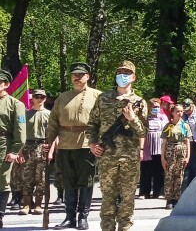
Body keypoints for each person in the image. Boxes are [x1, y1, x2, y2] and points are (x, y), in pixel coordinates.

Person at [87, 61, 148, 231]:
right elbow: (92, 124)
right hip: (107, 156)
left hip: (129, 158)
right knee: (107, 197)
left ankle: (125, 228)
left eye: (127, 73)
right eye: (120, 72)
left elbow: (143, 132)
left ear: (133, 77)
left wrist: (132, 119)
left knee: (128, 198)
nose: (123, 76)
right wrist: (92, 143)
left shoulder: (139, 102)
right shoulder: (103, 98)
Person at [46, 62, 102, 230]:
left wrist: (99, 142)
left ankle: (82, 217)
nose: (77, 78)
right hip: (65, 145)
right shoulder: (62, 97)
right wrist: (49, 143)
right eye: (74, 75)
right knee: (68, 182)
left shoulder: (98, 96)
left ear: (87, 76)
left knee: (86, 182)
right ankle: (69, 217)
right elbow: (53, 122)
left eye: (80, 75)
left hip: (87, 145)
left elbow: (103, 122)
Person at [0, 69, 26, 227]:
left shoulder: (15, 104)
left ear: (6, 84)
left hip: (4, 144)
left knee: (2, 180)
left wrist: (15, 150)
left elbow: (20, 130)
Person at [18, 89, 50, 215]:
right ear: (32, 98)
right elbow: (19, 134)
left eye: (42, 97)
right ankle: (26, 204)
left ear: (45, 99)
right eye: (37, 96)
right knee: (26, 177)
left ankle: (38, 204)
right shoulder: (25, 115)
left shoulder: (49, 114)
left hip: (42, 147)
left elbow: (54, 134)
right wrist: (19, 151)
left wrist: (51, 149)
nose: (39, 99)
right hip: (27, 147)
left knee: (41, 178)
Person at [161, 104, 191, 209]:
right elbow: (164, 143)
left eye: (181, 111)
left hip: (181, 151)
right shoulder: (168, 126)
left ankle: (177, 198)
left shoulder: (185, 125)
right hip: (170, 151)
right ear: (173, 112)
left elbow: (187, 142)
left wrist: (187, 156)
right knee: (169, 175)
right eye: (177, 111)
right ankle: (169, 198)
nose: (180, 113)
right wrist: (162, 158)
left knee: (179, 175)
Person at [139, 98, 167, 200]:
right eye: (154, 107)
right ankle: (144, 192)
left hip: (159, 147)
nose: (156, 109)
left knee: (159, 171)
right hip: (147, 148)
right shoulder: (145, 118)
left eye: (158, 107)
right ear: (150, 107)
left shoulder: (163, 118)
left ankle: (158, 192)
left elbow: (166, 132)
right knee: (146, 170)